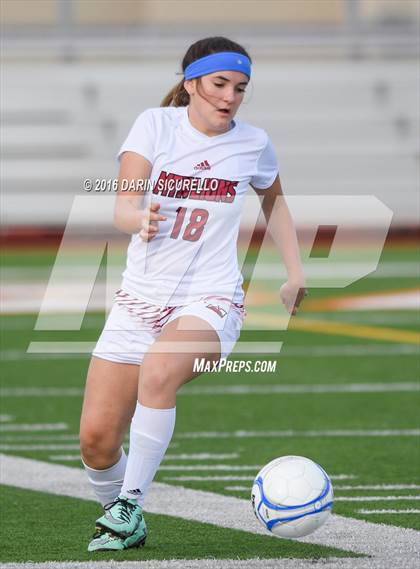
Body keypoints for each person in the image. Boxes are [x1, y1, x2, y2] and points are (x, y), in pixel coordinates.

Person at [79, 36, 307, 552]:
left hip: (211, 299)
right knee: (96, 442)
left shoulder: (253, 142)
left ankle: (129, 504)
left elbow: (276, 203)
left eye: (241, 88)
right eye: (220, 84)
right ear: (191, 84)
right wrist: (139, 217)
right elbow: (122, 205)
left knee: (160, 370)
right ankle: (123, 516)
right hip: (139, 300)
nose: (230, 97)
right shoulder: (154, 125)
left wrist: (294, 271)